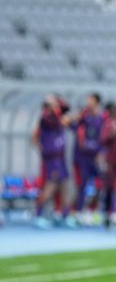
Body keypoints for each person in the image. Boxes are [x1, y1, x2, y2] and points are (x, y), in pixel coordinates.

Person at [33, 95, 77, 229]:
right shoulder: (46, 118)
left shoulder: (58, 116)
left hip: (60, 157)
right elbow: (62, 120)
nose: (56, 106)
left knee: (65, 186)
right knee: (50, 186)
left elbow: (69, 116)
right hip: (52, 158)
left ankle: (64, 215)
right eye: (52, 104)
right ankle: (39, 215)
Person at [72, 93, 104, 225]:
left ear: (96, 101)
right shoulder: (82, 117)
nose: (87, 102)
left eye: (90, 99)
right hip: (82, 158)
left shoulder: (103, 118)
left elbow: (105, 137)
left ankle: (92, 209)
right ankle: (78, 212)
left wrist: (101, 153)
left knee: (101, 185)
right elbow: (70, 124)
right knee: (82, 186)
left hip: (97, 158)